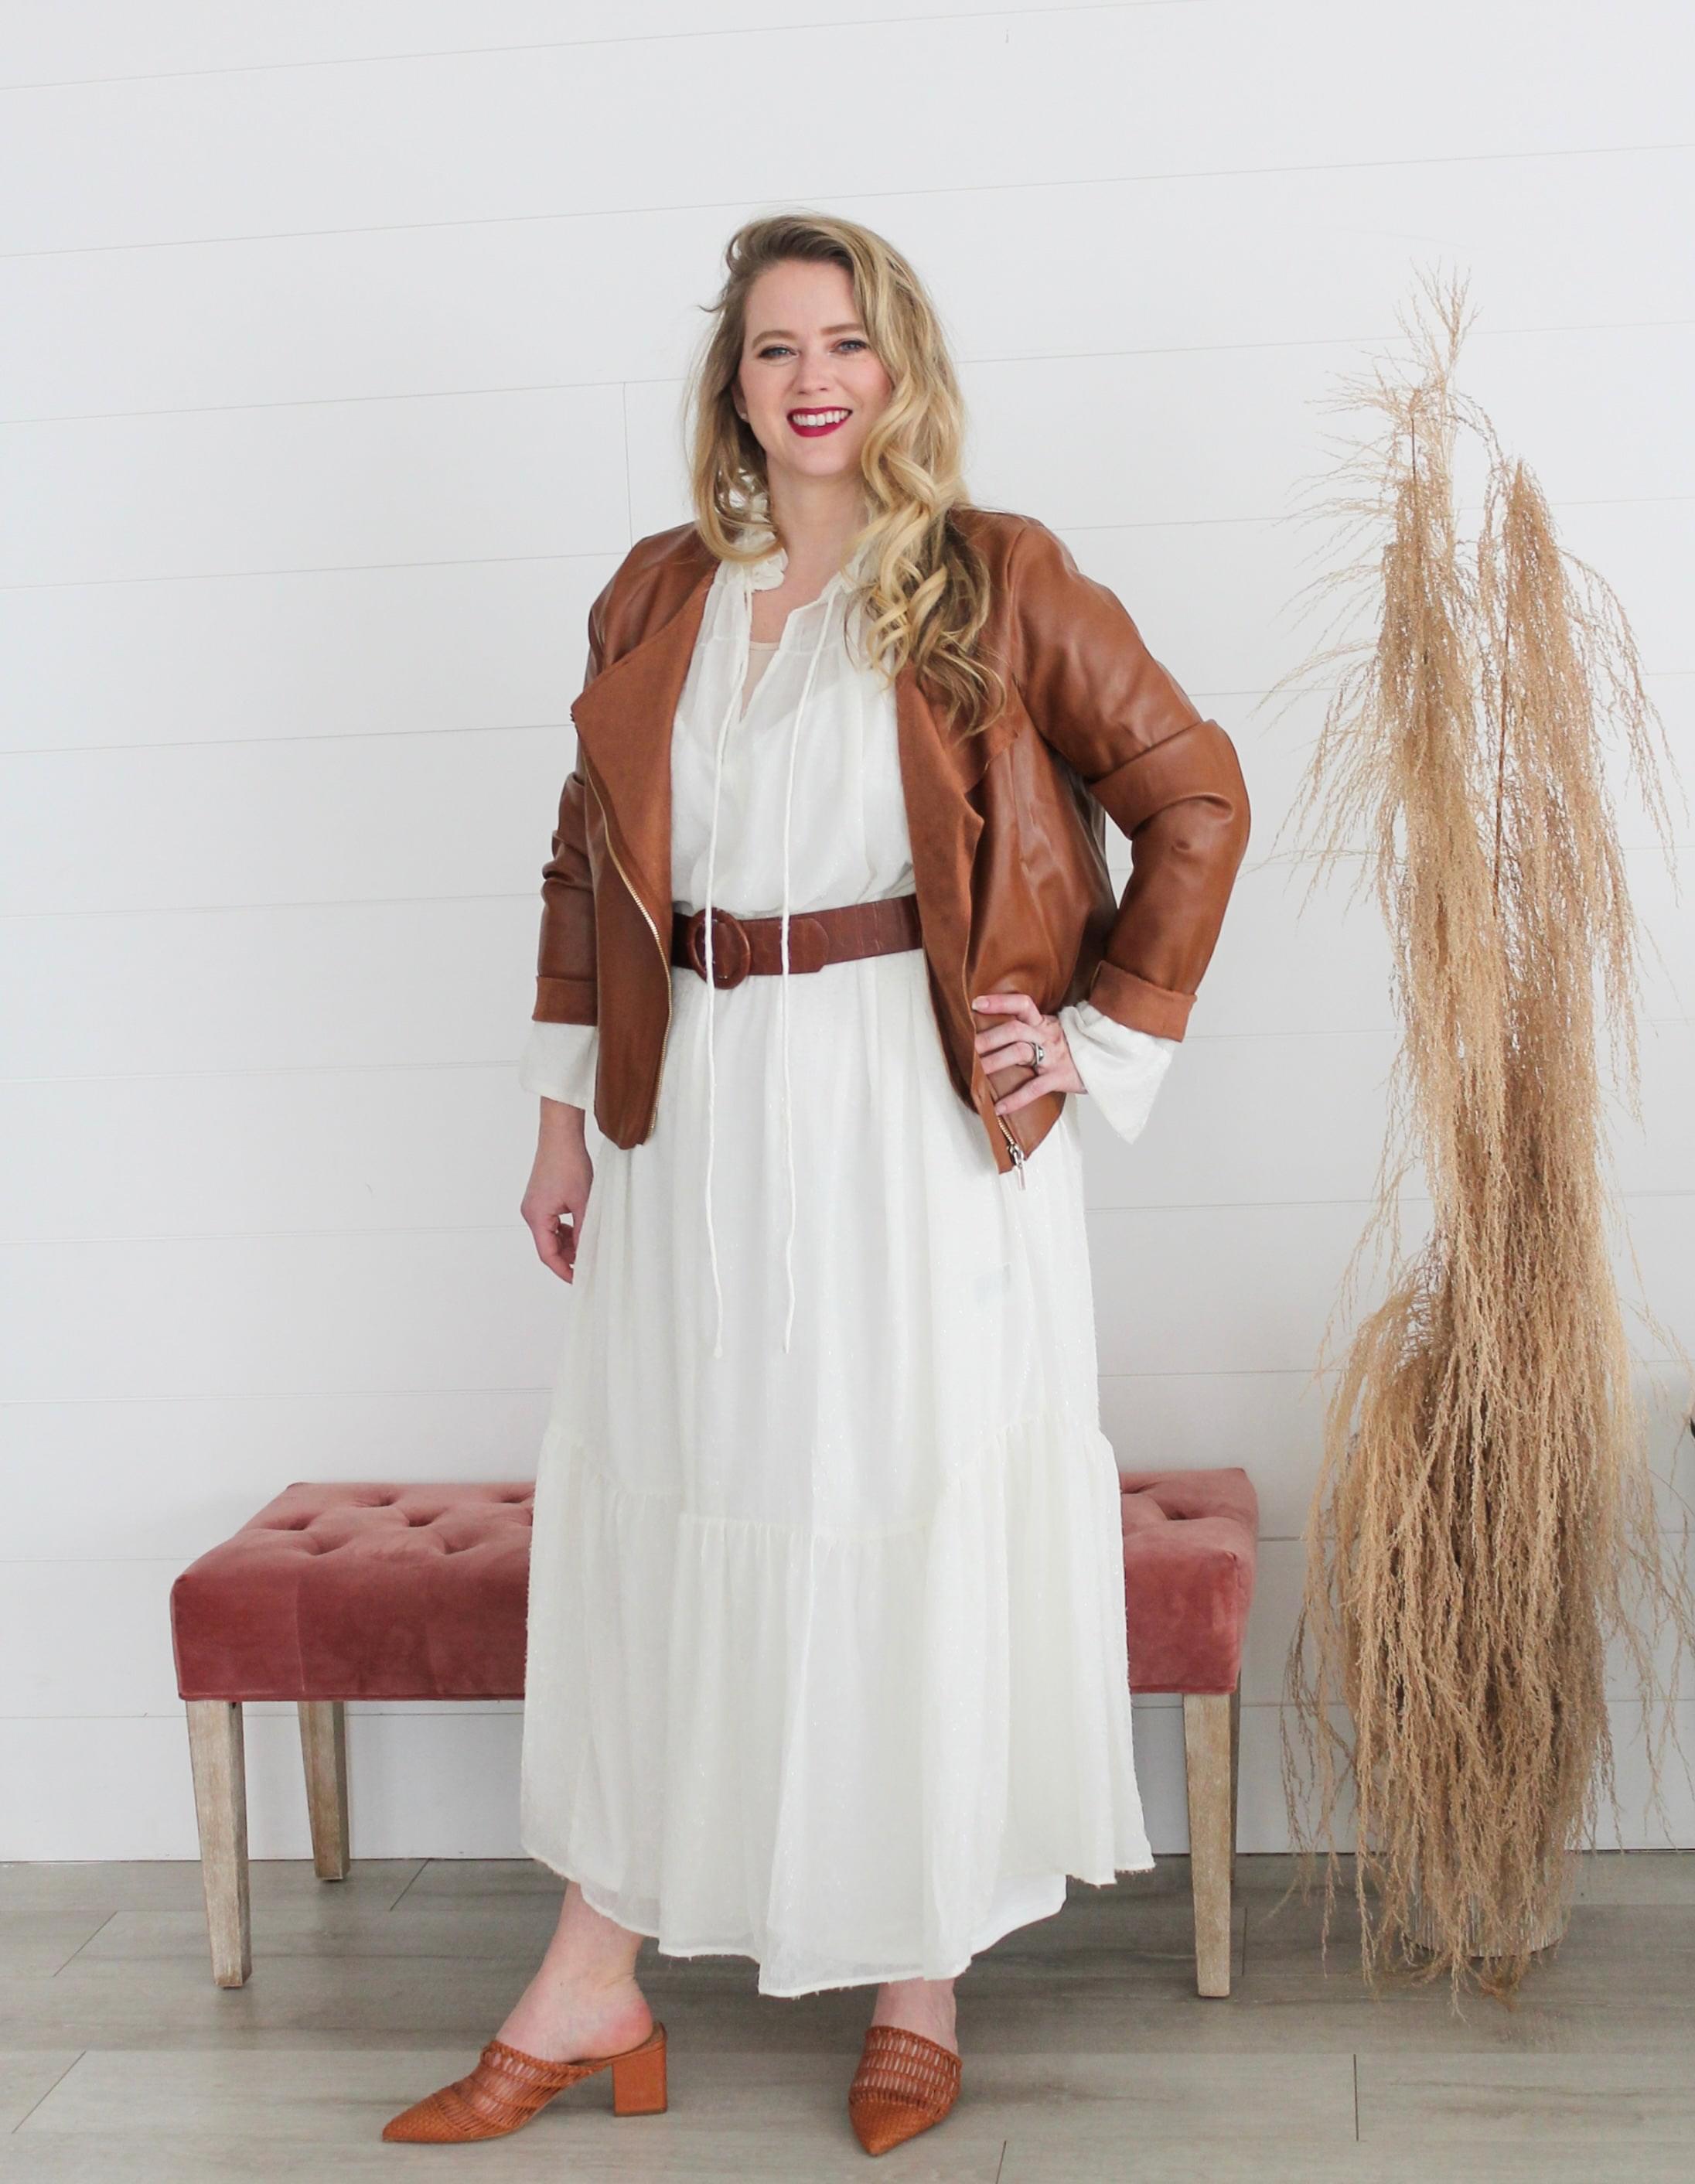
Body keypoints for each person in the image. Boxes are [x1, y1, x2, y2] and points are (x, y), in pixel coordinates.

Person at [383, 211, 1250, 2157]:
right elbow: (582, 864)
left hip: (909, 1116)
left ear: (898, 366)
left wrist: (1096, 1034)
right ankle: (592, 1971)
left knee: (891, 1499)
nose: (811, 380)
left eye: (844, 342)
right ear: (733, 385)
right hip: (691, 1110)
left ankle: (915, 1972)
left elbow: (1196, 795)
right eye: (774, 348)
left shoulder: (997, 577)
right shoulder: (657, 593)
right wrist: (555, 1116)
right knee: (685, 1503)